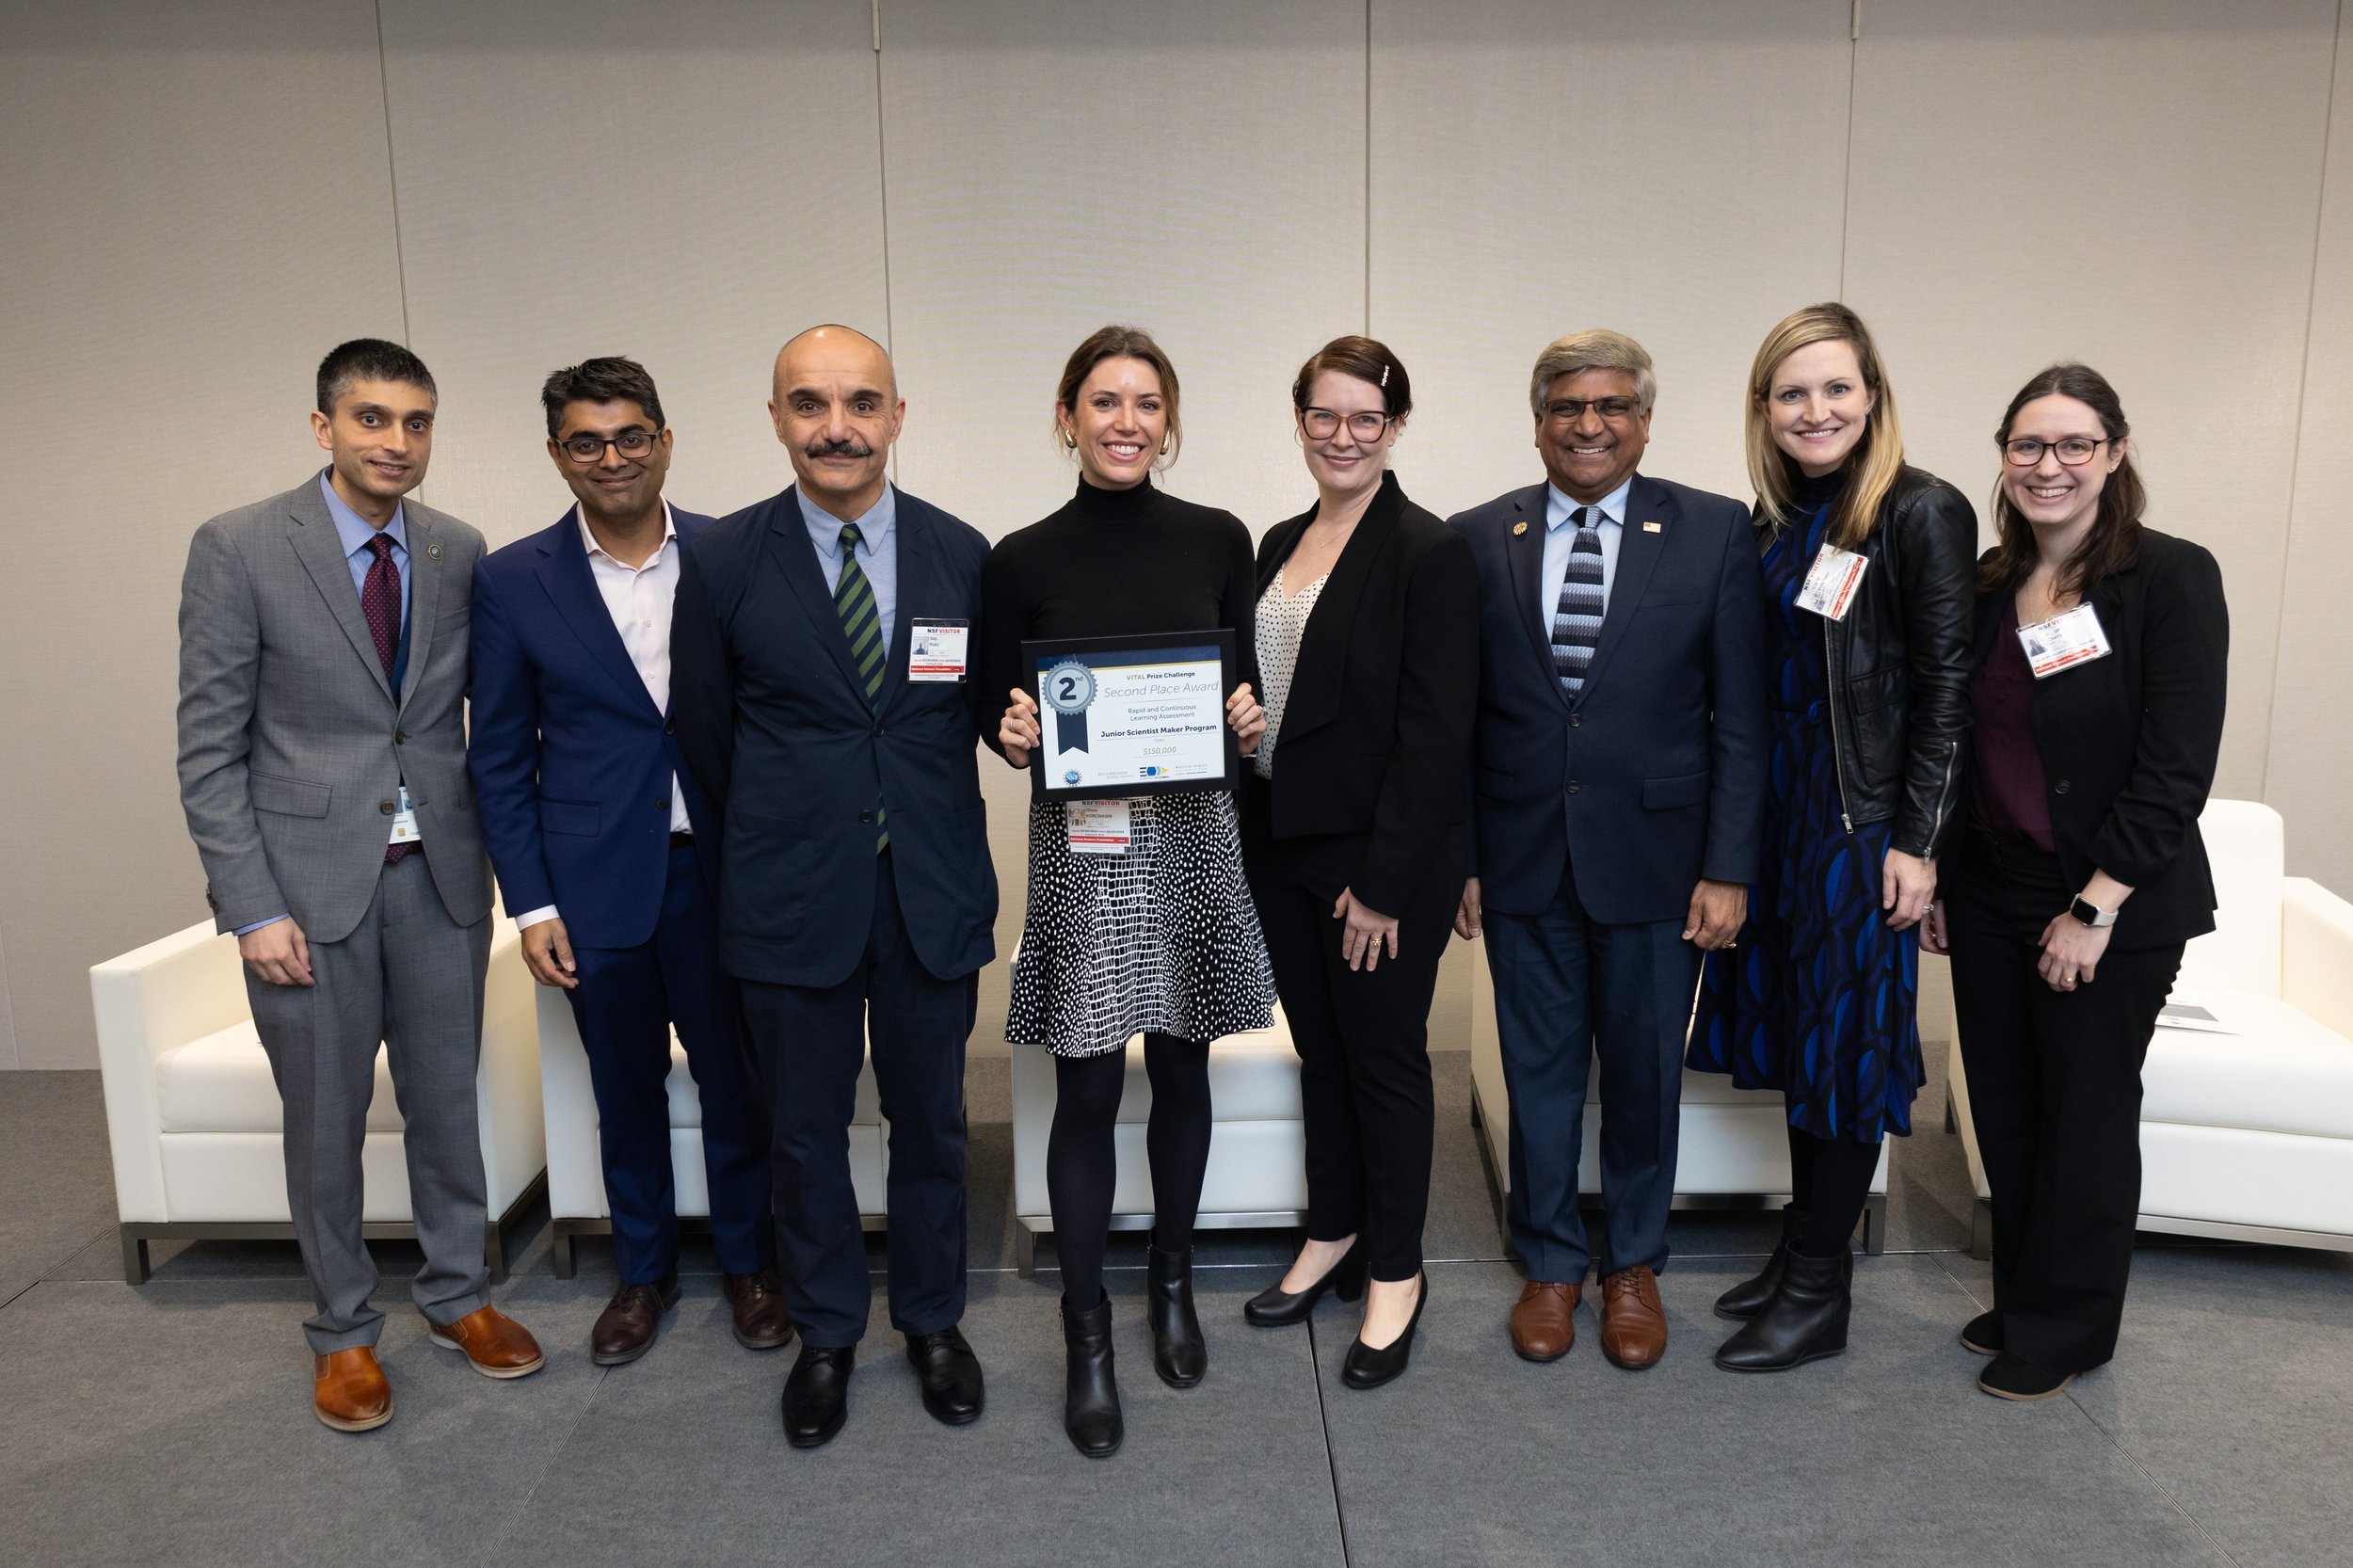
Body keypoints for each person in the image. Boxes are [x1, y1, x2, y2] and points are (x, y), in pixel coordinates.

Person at [176, 339, 543, 1433]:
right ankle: (341, 1329)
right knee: (325, 1120)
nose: (397, 441)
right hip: (302, 891)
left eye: (417, 421)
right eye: (374, 419)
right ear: (323, 425)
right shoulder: (240, 546)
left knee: (445, 1104)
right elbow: (207, 747)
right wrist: (250, 906)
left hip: (436, 877)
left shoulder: (457, 547)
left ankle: (455, 1296)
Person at [669, 326, 996, 1448]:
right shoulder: (721, 563)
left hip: (929, 894)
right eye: (808, 404)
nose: (836, 426)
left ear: (898, 415)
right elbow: (704, 737)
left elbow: (983, 715)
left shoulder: (963, 552)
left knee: (934, 1127)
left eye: (861, 402)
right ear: (775, 421)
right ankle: (824, 1334)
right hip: (788, 899)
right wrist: (796, 826)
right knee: (803, 1134)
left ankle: (934, 1322)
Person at [980, 325, 1275, 1457]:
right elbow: (1005, 712)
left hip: (1195, 830)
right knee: (1090, 1091)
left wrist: (1247, 717)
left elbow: (1236, 682)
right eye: (1103, 401)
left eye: (1146, 402)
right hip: (1084, 847)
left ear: (1169, 420)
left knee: (1186, 1068)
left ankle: (1173, 1278)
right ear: (1067, 417)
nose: (1125, 421)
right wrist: (1008, 728)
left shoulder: (1217, 536)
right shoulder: (1019, 556)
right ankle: (1087, 1330)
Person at [1451, 329, 1768, 1372]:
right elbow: (1457, 716)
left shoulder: (1716, 531)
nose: (1590, 424)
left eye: (1612, 405)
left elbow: (1739, 718)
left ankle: (1631, 1264)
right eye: (1568, 406)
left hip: (1660, 863)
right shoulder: (1474, 537)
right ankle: (1549, 1264)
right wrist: (1459, 856)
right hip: (1521, 856)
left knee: (1641, 1075)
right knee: (1538, 1076)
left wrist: (1727, 865)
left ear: (1644, 417)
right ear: (1537, 418)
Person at [468, 357, 788, 1368]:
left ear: (664, 438)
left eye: (630, 435)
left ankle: (748, 1262)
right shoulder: (513, 579)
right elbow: (499, 756)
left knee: (740, 1086)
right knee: (626, 1088)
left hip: (724, 875)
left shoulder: (735, 552)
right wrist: (531, 904)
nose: (612, 457)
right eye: (586, 441)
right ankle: (642, 1275)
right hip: (594, 883)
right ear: (559, 454)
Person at [1925, 363, 2227, 1401]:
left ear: (2115, 452)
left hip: (2108, 903)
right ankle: (2025, 1294)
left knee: (2086, 1111)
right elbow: (1964, 743)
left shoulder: (2169, 579)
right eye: (2027, 446)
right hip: (1992, 887)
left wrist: (2095, 906)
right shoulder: (1984, 584)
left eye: (2072, 446)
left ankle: (2071, 1326)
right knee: (2004, 1105)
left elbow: (2174, 765)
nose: (2047, 466)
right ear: (2003, 457)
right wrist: (1945, 871)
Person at [1687, 304, 1976, 1372]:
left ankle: (1820, 1291)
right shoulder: (1770, 524)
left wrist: (1917, 839)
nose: (1816, 410)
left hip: (1860, 826)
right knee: (1807, 1034)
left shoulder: (1919, 510)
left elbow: (1947, 688)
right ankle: (1800, 1248)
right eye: (1791, 392)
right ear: (1764, 409)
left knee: (1848, 1047)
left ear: (1873, 395)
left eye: (1836, 388)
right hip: (1780, 816)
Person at [1237, 336, 1478, 1389]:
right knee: (1321, 1058)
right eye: (1324, 416)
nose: (1342, 436)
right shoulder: (1277, 540)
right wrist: (1244, 724)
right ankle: (1331, 1229)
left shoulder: (1427, 551)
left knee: (1384, 1065)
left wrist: (1382, 885)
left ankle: (1395, 1270)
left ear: (1394, 430)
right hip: (1283, 843)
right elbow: (1281, 696)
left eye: (1364, 420)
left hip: (1380, 867)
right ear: (1300, 422)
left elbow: (1435, 737)